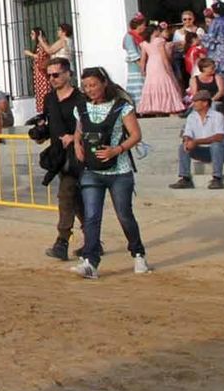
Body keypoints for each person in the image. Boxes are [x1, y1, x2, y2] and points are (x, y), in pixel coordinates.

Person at [71, 66, 150, 277]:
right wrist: (77, 144)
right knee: (91, 216)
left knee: (124, 215)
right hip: (92, 169)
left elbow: (135, 135)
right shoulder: (82, 107)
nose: (90, 89)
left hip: (119, 171)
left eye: (94, 85)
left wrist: (117, 150)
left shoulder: (121, 107)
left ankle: (138, 253)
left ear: (104, 83)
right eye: (86, 86)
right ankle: (90, 261)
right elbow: (79, 130)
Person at [40, 57, 85, 261]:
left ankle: (62, 242)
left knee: (66, 196)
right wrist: (40, 132)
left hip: (78, 155)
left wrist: (74, 137)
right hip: (58, 156)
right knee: (75, 200)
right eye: (49, 75)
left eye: (56, 74)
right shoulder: (49, 99)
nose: (52, 79)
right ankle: (93, 239)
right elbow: (49, 123)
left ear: (68, 74)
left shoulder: (80, 98)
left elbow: (88, 124)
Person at [172, 92, 224, 189]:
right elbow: (187, 133)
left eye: (196, 102)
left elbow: (219, 137)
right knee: (183, 147)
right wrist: (187, 141)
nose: (193, 104)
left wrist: (196, 142)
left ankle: (217, 178)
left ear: (205, 103)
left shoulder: (218, 116)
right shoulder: (191, 117)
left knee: (216, 145)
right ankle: (185, 178)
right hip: (204, 150)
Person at [138, 19, 185, 116]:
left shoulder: (144, 43)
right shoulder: (159, 41)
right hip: (159, 63)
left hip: (150, 65)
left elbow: (143, 59)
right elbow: (163, 56)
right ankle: (168, 107)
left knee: (153, 84)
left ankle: (155, 107)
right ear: (155, 31)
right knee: (165, 82)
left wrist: (142, 70)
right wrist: (168, 68)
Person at [25, 26, 53, 111]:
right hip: (39, 74)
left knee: (44, 93)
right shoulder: (39, 44)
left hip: (42, 74)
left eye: (33, 33)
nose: (31, 35)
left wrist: (30, 54)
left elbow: (41, 57)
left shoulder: (42, 43)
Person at [121, 14, 147, 104]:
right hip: (136, 66)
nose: (145, 27)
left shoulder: (139, 37)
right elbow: (133, 53)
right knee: (137, 87)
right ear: (139, 25)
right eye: (144, 25)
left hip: (141, 65)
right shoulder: (129, 36)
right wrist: (142, 66)